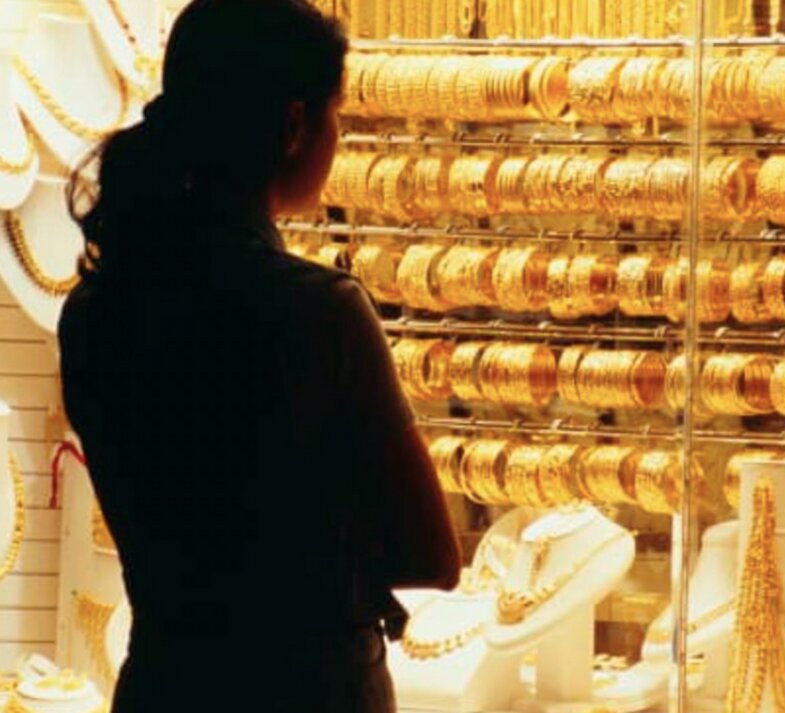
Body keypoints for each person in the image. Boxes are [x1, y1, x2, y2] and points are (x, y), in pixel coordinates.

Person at [57, 1, 461, 711]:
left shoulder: (97, 309)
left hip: (168, 683)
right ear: (294, 124)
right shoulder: (319, 311)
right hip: (308, 688)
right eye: (336, 113)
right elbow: (430, 555)